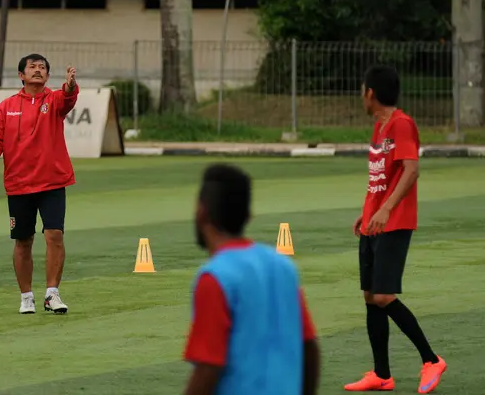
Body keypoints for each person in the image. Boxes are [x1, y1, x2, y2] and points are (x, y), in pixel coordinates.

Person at [344, 65, 446, 393]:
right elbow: (378, 178)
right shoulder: (379, 128)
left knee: (385, 295)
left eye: (362, 90)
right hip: (374, 223)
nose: (361, 95)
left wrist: (387, 209)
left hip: (395, 222)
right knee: (371, 297)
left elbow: (412, 170)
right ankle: (382, 374)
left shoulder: (402, 125)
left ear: (370, 93)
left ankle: (431, 360)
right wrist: (367, 212)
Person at [183, 163, 320, 395]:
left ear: (201, 212)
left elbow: (208, 368)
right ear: (248, 216)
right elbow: (310, 349)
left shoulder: (214, 277)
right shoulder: (283, 267)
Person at [0, 53, 78, 315]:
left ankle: (52, 294)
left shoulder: (54, 100)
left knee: (54, 234)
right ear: (21, 75)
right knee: (23, 241)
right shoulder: (6, 106)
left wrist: (69, 86)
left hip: (53, 181)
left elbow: (68, 99)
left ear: (48, 75)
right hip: (19, 183)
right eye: (32, 67)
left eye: (42, 68)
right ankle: (26, 297)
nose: (38, 70)